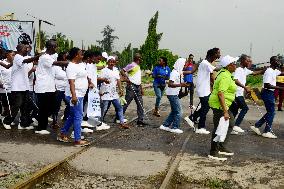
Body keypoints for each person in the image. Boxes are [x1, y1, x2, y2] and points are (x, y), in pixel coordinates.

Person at [34, 40, 68, 135]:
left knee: (51, 107)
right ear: (51, 47)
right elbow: (57, 62)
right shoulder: (45, 57)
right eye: (55, 47)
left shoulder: (48, 56)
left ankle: (39, 120)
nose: (56, 49)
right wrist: (69, 63)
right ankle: (41, 128)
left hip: (50, 87)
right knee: (44, 108)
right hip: (43, 87)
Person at [2, 44, 39, 129]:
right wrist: (38, 55)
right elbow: (27, 60)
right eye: (25, 48)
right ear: (20, 50)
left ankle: (23, 124)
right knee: (17, 105)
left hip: (25, 87)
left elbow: (8, 66)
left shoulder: (23, 58)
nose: (27, 50)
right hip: (17, 87)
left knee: (24, 107)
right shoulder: (18, 56)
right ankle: (6, 121)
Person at [208, 55, 238, 161]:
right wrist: (225, 111)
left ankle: (221, 145)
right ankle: (213, 152)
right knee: (218, 127)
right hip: (219, 105)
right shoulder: (225, 76)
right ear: (229, 65)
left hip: (223, 104)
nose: (236, 66)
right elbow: (220, 93)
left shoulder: (227, 74)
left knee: (231, 123)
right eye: (234, 64)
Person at [58, 47, 90, 146]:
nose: (83, 55)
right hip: (74, 95)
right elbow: (71, 83)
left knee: (73, 116)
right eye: (81, 53)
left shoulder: (81, 64)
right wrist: (74, 96)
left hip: (80, 94)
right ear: (76, 55)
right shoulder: (71, 67)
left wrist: (90, 82)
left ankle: (62, 133)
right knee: (78, 116)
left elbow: (85, 76)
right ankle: (77, 140)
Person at [184, 49, 218, 134]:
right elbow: (216, 69)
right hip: (203, 90)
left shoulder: (205, 63)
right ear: (213, 55)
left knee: (205, 107)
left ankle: (192, 118)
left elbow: (210, 76)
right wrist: (226, 66)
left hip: (204, 89)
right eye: (218, 54)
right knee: (205, 108)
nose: (219, 55)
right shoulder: (205, 63)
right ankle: (200, 127)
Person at [230, 54, 265, 134]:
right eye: (247, 61)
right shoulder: (238, 69)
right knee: (245, 108)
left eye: (250, 61)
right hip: (236, 93)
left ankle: (230, 127)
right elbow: (235, 80)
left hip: (239, 93)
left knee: (234, 110)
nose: (249, 62)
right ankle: (236, 126)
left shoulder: (245, 70)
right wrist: (245, 87)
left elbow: (254, 73)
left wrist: (262, 71)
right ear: (242, 61)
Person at [251, 56, 284, 139]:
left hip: (269, 93)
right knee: (271, 112)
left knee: (270, 112)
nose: (279, 62)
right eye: (277, 61)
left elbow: (282, 72)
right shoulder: (269, 71)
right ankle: (266, 131)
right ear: (272, 62)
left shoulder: (274, 70)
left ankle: (257, 125)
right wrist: (281, 88)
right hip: (267, 92)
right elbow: (267, 85)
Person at [159, 58, 189, 134]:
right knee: (179, 111)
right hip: (172, 94)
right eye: (184, 64)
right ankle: (175, 127)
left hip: (173, 94)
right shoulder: (174, 73)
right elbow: (170, 84)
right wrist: (181, 84)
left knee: (174, 111)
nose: (185, 65)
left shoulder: (179, 72)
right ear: (180, 64)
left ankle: (165, 125)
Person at [99, 56, 130, 129]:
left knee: (119, 107)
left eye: (113, 62)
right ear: (107, 62)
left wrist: (120, 89)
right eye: (110, 61)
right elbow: (99, 79)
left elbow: (118, 80)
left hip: (113, 92)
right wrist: (104, 80)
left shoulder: (116, 70)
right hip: (105, 91)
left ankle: (122, 122)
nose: (111, 63)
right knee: (104, 108)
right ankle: (100, 123)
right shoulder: (104, 70)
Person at [121, 53, 148, 127]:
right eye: (140, 58)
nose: (141, 59)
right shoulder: (132, 65)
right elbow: (122, 71)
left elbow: (138, 79)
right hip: (131, 86)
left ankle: (140, 120)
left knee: (140, 103)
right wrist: (126, 77)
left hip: (138, 87)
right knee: (127, 102)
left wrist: (141, 88)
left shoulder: (138, 67)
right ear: (138, 59)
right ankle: (119, 117)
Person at [52, 52, 69, 127]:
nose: (66, 59)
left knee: (69, 104)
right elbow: (51, 78)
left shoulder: (66, 68)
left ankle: (65, 117)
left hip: (66, 90)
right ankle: (54, 121)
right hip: (58, 90)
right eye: (65, 57)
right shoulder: (55, 68)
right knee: (56, 106)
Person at [0, 50, 14, 129]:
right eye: (12, 55)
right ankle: (5, 117)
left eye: (14, 55)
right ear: (7, 55)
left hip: (13, 88)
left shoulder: (15, 64)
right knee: (6, 106)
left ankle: (6, 117)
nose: (13, 56)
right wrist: (0, 84)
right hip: (3, 88)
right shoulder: (1, 63)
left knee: (12, 105)